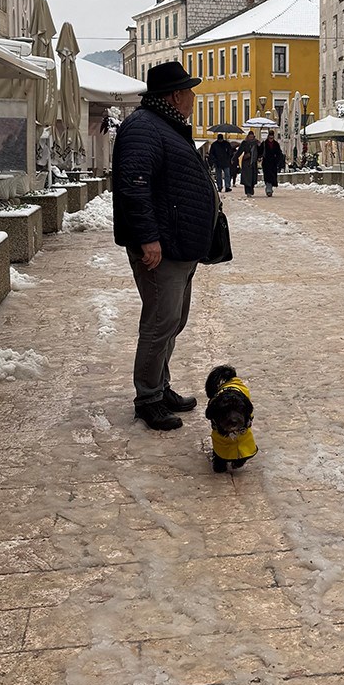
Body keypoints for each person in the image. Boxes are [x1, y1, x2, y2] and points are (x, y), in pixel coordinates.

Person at [112, 61, 219, 431]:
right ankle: (148, 399)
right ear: (175, 96)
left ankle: (160, 386)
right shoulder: (144, 128)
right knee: (160, 323)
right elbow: (134, 186)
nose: (193, 98)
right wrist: (148, 238)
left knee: (173, 321)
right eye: (189, 92)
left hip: (179, 245)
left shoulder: (164, 125)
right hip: (162, 247)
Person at [234, 130, 260, 197]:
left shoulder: (256, 143)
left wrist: (260, 147)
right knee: (247, 178)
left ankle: (251, 189)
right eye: (250, 136)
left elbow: (260, 151)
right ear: (248, 136)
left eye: (252, 137)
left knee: (252, 178)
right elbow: (239, 151)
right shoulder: (244, 143)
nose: (251, 138)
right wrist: (234, 158)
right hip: (246, 162)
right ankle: (248, 191)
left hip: (253, 162)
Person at [260, 131, 286, 196]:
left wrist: (277, 161)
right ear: (268, 136)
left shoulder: (276, 144)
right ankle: (269, 190)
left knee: (272, 177)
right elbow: (260, 151)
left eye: (272, 137)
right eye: (270, 136)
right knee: (267, 177)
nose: (271, 138)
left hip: (273, 163)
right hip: (266, 162)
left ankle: (269, 189)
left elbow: (279, 153)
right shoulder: (264, 143)